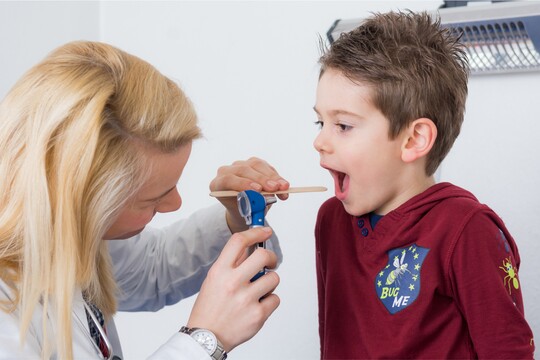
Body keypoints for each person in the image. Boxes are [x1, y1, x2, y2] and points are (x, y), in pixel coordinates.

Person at [0, 41, 290, 359]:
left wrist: (235, 219)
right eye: (153, 199)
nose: (175, 203)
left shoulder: (62, 232)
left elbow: (152, 268)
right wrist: (204, 340)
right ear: (83, 198)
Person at [313, 10, 535, 359]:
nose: (320, 142)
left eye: (342, 125)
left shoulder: (467, 231)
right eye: (319, 121)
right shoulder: (331, 222)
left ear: (414, 139)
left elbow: (508, 351)